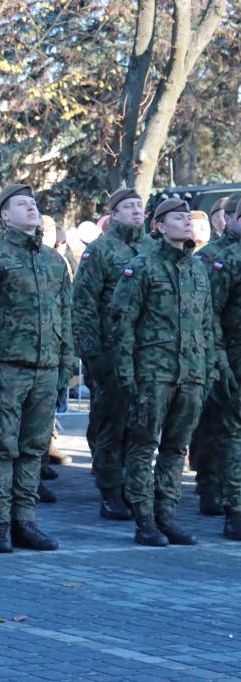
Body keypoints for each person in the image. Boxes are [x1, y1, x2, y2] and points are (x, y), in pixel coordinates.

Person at [0, 184, 72, 554]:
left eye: (34, 203)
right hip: (6, 369)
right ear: (5, 216)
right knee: (2, 449)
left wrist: (64, 368)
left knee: (33, 450)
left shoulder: (53, 261)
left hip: (45, 369)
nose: (32, 209)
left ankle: (25, 521)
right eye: (22, 205)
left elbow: (65, 316)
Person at [109, 198, 217, 547]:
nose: (187, 222)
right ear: (159, 226)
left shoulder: (197, 269)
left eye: (189, 217)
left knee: (176, 447)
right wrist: (126, 372)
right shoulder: (142, 266)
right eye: (177, 217)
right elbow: (122, 322)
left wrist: (210, 369)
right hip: (153, 374)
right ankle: (144, 519)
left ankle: (166, 515)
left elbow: (207, 325)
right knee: (142, 446)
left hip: (191, 374)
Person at [72, 187, 150, 522]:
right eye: (128, 206)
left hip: (147, 355)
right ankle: (110, 490)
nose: (136, 211)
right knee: (111, 424)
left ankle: (135, 488)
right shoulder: (100, 250)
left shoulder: (153, 249)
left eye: (139, 205)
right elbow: (84, 306)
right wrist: (93, 354)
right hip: (110, 351)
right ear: (114, 214)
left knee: (141, 425)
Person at [190, 192, 241, 515]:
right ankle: (210, 484)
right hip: (224, 355)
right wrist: (215, 359)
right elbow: (209, 313)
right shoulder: (213, 257)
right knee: (214, 425)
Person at [207, 204, 241, 540]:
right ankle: (234, 509)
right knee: (233, 437)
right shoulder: (229, 259)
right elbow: (211, 315)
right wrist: (220, 360)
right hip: (235, 360)